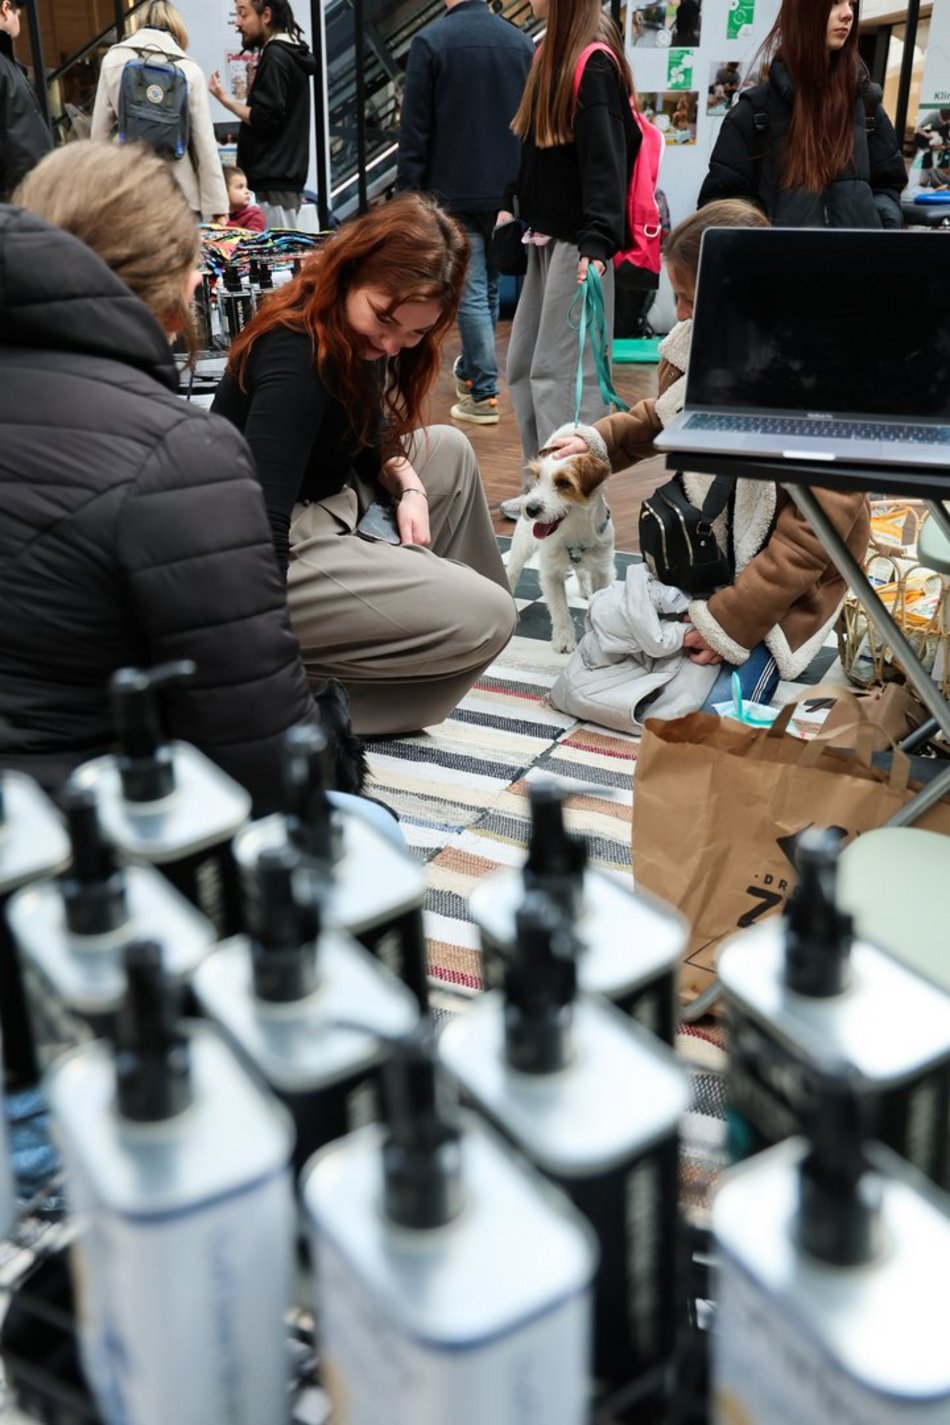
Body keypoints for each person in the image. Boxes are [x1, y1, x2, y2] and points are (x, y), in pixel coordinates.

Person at [0, 140, 361, 817]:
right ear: (176, 289)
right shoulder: (180, 451)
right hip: (78, 839)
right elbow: (269, 757)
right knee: (370, 832)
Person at [545, 199, 871, 715]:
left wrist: (727, 623)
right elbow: (662, 416)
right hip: (712, 560)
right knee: (608, 664)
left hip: (781, 592)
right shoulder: (699, 344)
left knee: (700, 714)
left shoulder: (819, 381)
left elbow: (808, 545)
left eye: (688, 298)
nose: (678, 314)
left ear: (739, 294)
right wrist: (598, 442)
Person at [211, 193, 516, 735]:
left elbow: (365, 426)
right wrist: (249, 664)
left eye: (416, 333)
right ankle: (305, 707)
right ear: (350, 273)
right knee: (489, 613)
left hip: (328, 504)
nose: (394, 344)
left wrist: (409, 483)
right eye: (385, 320)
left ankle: (436, 625)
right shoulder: (296, 355)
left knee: (447, 450)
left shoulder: (345, 331)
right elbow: (258, 523)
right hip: (263, 553)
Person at [502, 0, 639, 474]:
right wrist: (511, 203)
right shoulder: (551, 56)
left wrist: (598, 242)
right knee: (524, 368)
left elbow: (609, 161)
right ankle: (542, 487)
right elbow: (536, 150)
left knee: (560, 377)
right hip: (548, 240)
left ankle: (568, 500)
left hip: (577, 248)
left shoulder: (592, 62)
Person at [396, 0, 534, 428]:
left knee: (471, 292)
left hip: (451, 192)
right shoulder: (521, 44)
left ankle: (484, 390)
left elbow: (415, 130)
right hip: (507, 193)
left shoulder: (431, 42)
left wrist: (408, 201)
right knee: (488, 286)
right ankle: (477, 376)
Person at [698, 0, 904, 228]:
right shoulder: (754, 113)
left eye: (852, 4)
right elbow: (720, 208)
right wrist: (762, 247)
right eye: (835, 3)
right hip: (783, 262)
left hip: (858, 261)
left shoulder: (866, 106)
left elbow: (889, 185)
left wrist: (880, 226)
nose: (847, 14)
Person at [91, 0, 228, 224]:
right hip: (179, 195)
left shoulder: (113, 60)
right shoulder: (189, 69)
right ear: (177, 29)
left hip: (127, 192)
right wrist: (218, 206)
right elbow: (205, 143)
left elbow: (99, 136)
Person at [209, 0, 315, 229]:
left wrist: (225, 100)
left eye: (243, 14)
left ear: (266, 15)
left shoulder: (276, 55)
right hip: (279, 182)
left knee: (276, 260)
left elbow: (264, 118)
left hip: (274, 185)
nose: (238, 22)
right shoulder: (284, 53)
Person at [0, 0, 52, 199]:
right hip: (15, 197)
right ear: (5, 9)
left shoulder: (8, 63)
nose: (18, 19)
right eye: (18, 14)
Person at [224, 163, 266, 230]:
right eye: (240, 187)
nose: (247, 191)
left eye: (246, 187)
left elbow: (252, 237)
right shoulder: (219, 214)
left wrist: (224, 224)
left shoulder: (254, 215)